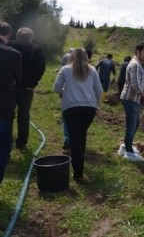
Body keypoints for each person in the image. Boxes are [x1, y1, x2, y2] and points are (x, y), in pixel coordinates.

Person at [53, 48, 102, 183]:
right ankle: (79, 165)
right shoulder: (92, 70)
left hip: (71, 108)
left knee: (75, 140)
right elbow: (99, 90)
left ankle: (78, 174)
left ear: (72, 56)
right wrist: (98, 105)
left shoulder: (65, 69)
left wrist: (65, 92)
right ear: (87, 57)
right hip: (89, 108)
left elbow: (56, 87)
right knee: (81, 136)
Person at [8, 27, 46, 149]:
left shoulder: (9, 44)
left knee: (6, 113)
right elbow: (41, 67)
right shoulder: (36, 49)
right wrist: (33, 83)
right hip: (26, 88)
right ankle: (21, 142)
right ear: (31, 37)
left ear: (18, 35)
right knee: (23, 115)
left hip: (9, 86)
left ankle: (6, 140)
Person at [119, 42, 144, 161]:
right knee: (131, 125)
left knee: (135, 123)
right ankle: (128, 152)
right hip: (130, 98)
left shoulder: (141, 65)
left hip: (134, 99)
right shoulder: (135, 65)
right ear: (138, 52)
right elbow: (135, 87)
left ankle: (125, 146)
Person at [0, 21, 22, 184]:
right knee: (3, 143)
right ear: (8, 35)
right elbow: (18, 79)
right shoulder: (13, 54)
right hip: (4, 105)